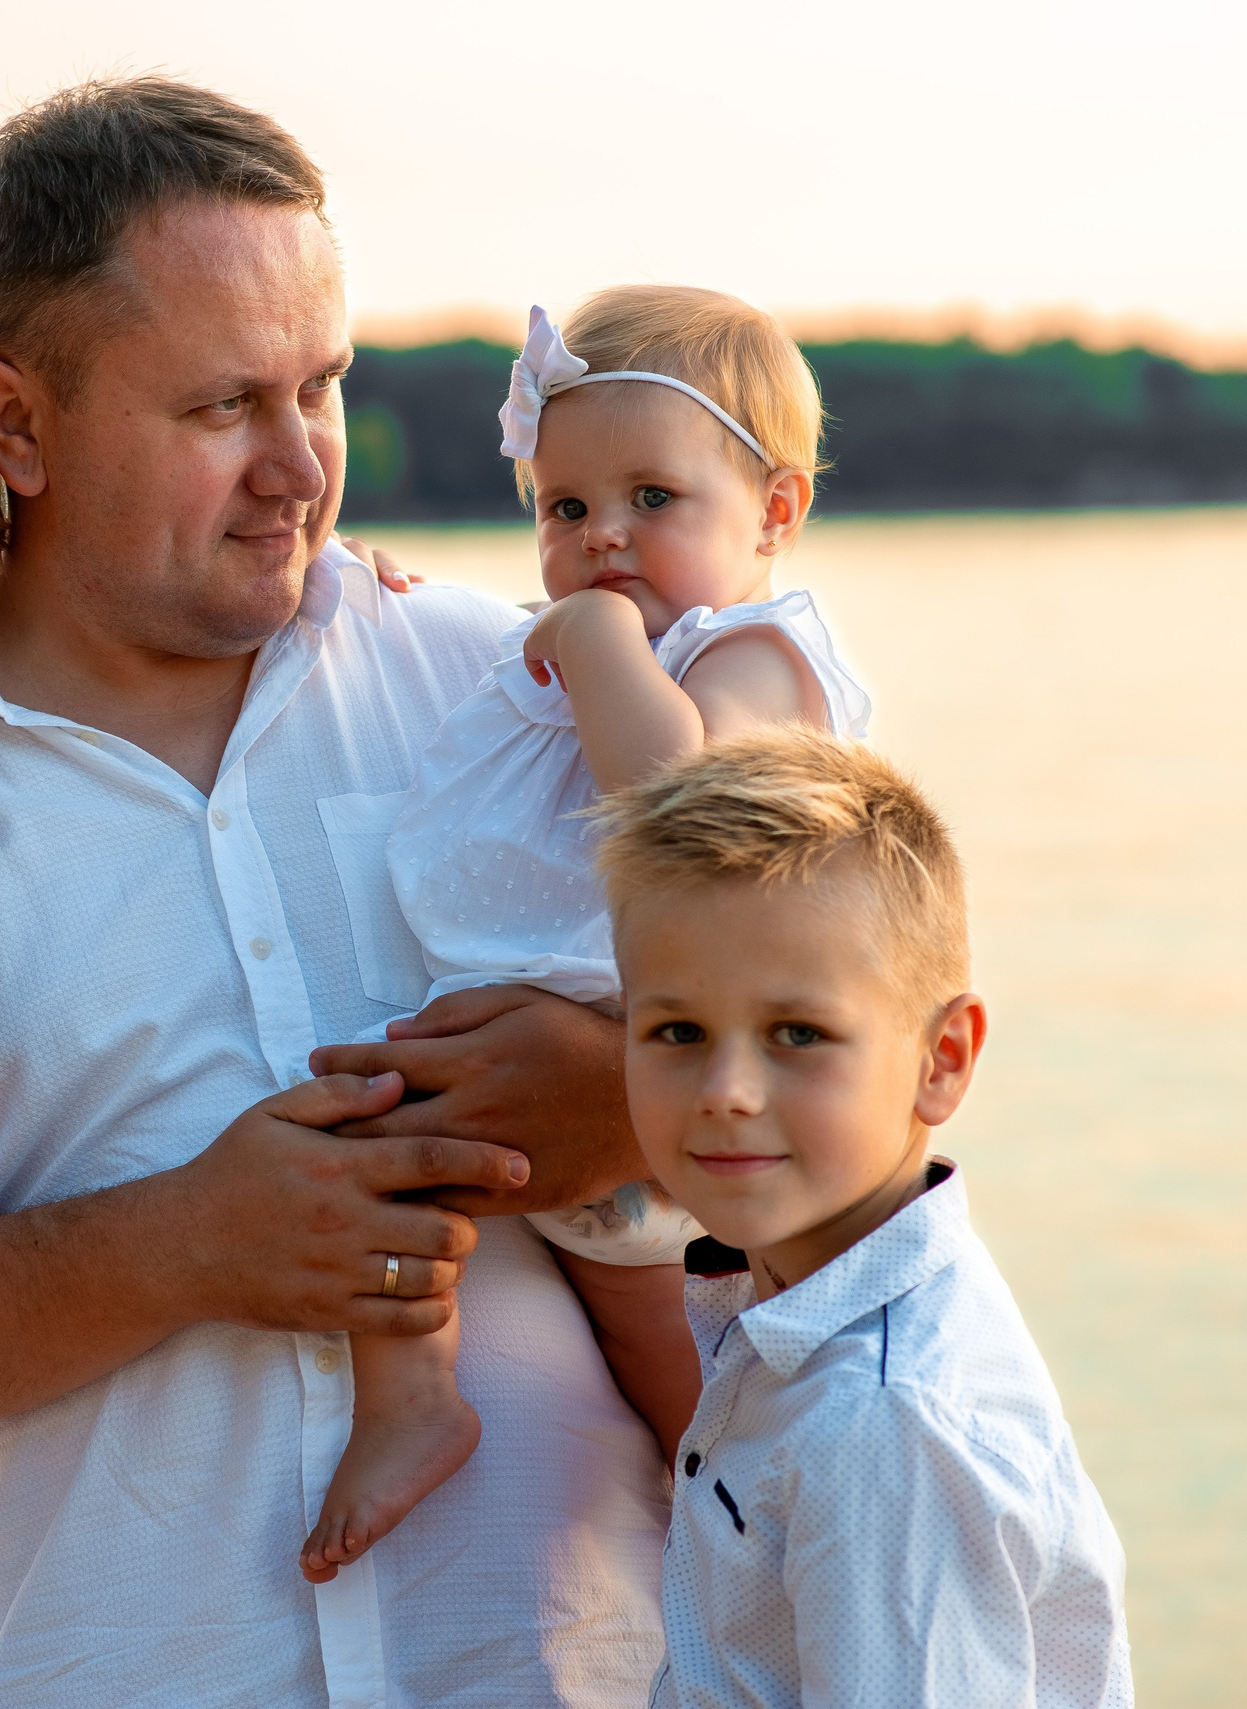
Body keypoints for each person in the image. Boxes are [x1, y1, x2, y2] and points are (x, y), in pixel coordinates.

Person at [0, 79, 671, 1707]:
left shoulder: (512, 692)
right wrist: (184, 1241)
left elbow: (878, 1058)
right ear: (16, 424)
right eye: (224, 405)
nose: (300, 465)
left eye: (324, 384)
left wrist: (632, 1099)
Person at [303, 287, 875, 1579]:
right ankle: (413, 1395)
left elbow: (676, 809)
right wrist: (406, 598)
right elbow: (521, 705)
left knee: (704, 1412)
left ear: (774, 513)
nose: (603, 539)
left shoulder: (758, 655)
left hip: (677, 1111)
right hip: (567, 1160)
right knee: (393, 1141)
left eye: (651, 502)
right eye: (566, 511)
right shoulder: (605, 648)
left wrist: (593, 631)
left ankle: (776, 1567)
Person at [598, 728, 1132, 1708]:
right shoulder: (796, 1308)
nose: (726, 1090)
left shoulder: (880, 1423)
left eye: (796, 1033)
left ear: (942, 1058)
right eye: (677, 1030)